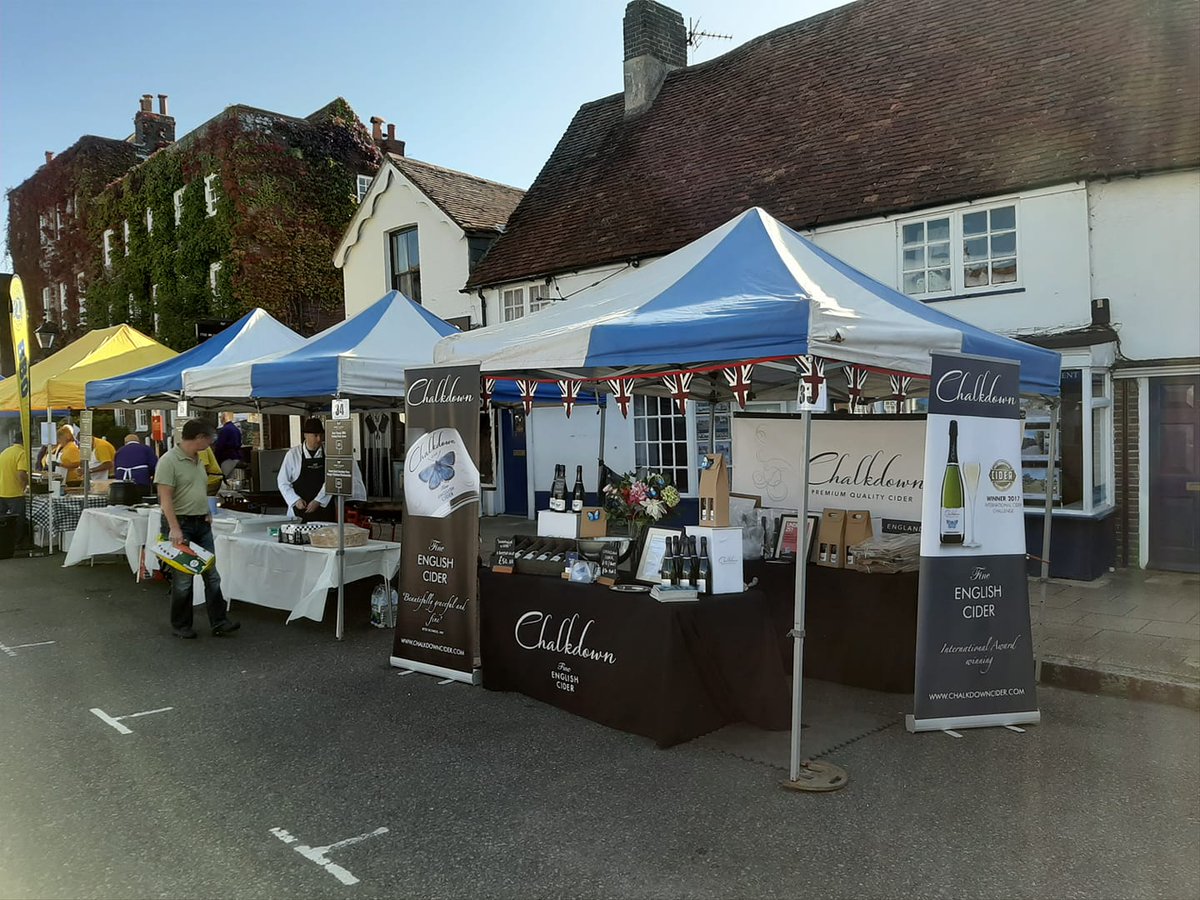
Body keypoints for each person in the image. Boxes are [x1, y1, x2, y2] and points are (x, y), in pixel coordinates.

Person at [154, 418, 239, 639]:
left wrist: (206, 511)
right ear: (200, 437)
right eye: (210, 438)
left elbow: (197, 488)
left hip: (200, 522)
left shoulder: (199, 460)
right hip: (180, 523)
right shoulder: (168, 461)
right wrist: (174, 528)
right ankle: (181, 624)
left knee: (212, 574)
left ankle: (219, 621)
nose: (212, 443)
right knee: (183, 579)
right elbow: (165, 499)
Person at [278, 417, 366, 523]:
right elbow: (282, 482)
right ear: (305, 435)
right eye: (315, 436)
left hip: (325, 510)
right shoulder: (293, 454)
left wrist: (318, 500)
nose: (319, 439)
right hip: (299, 511)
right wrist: (295, 500)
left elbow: (333, 478)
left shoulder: (331, 453)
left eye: (321, 435)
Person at [0, 433, 30, 518]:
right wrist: (29, 482)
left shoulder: (5, 452)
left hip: (2, 492)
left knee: (3, 523)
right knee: (17, 522)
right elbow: (21, 474)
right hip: (15, 494)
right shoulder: (22, 453)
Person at [213, 413, 243, 480]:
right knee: (233, 479)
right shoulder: (236, 429)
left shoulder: (224, 430)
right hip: (236, 456)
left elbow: (220, 446)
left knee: (225, 479)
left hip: (227, 458)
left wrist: (216, 458)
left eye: (220, 417)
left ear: (223, 419)